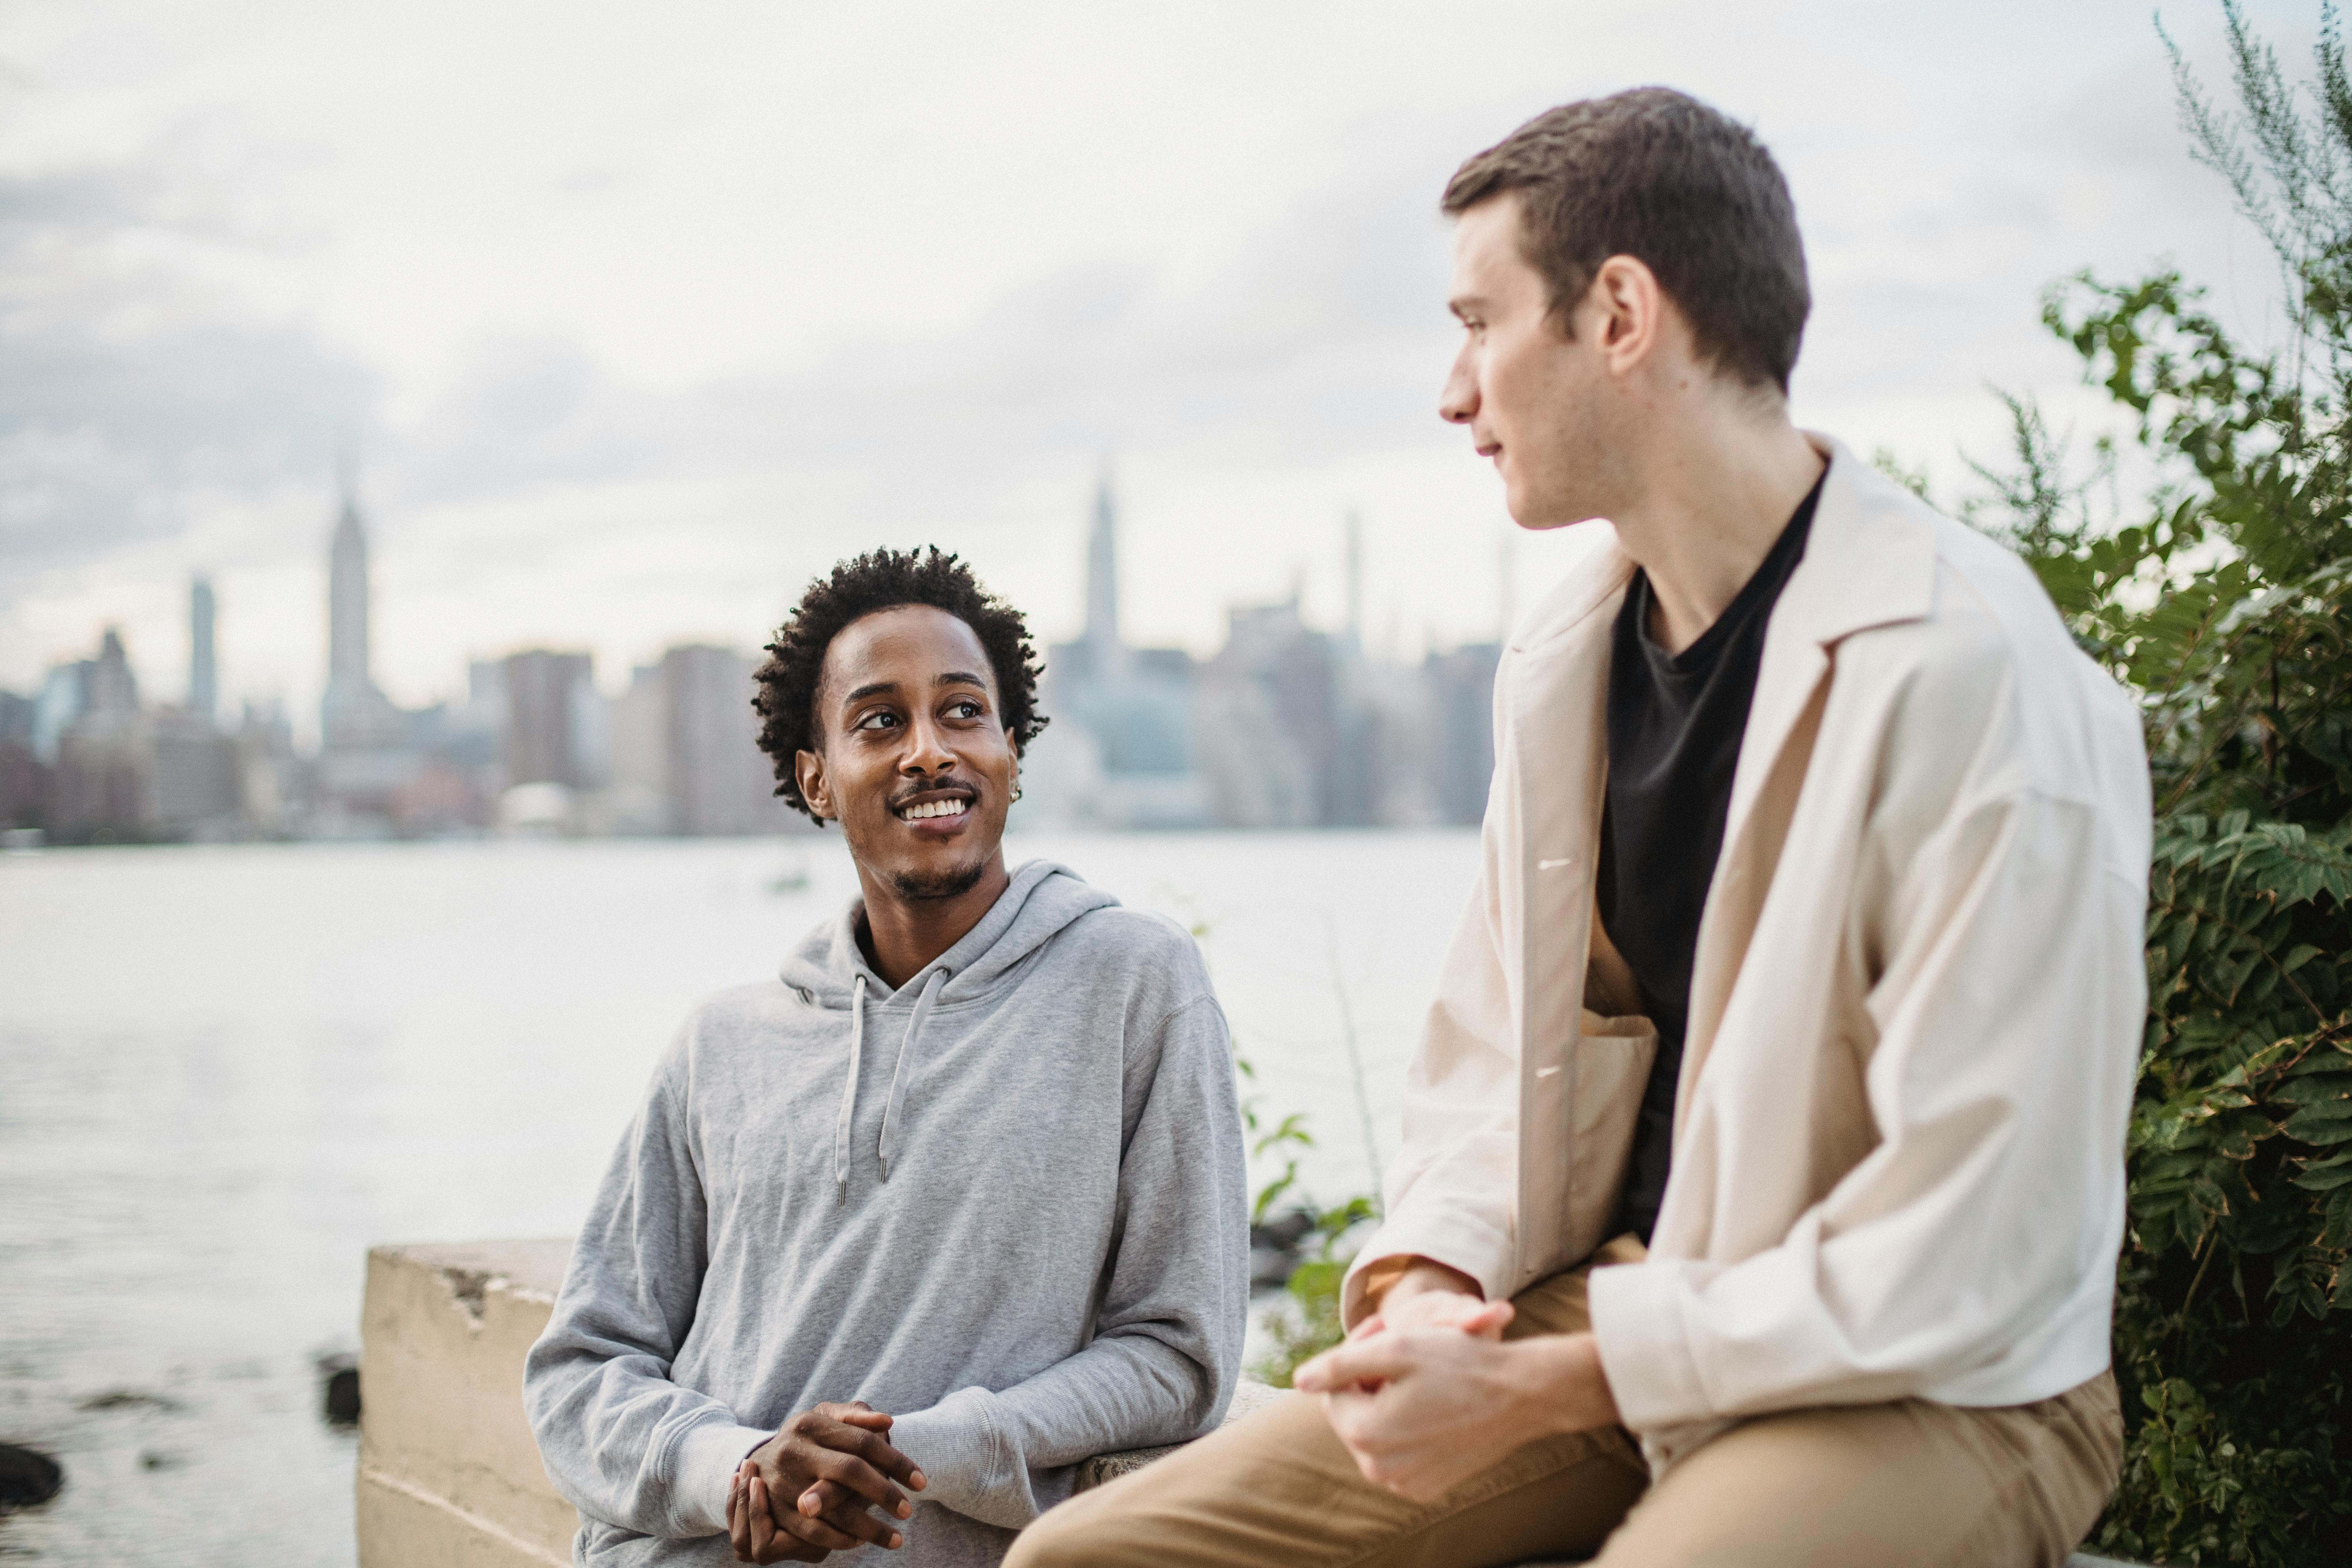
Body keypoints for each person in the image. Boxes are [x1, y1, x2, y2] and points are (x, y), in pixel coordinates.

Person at [1008, 87, 2149, 1568]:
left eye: (1479, 323)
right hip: (1620, 1318)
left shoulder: (1967, 670)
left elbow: (1983, 1248)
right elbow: (1491, 1064)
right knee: (1080, 1561)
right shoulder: (1565, 660)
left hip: (1940, 1384)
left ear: (1619, 314)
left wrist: (1536, 1383)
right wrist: (1429, 1298)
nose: (1452, 390)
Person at [524, 547, 1248, 1567]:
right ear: (814, 778)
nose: (929, 751)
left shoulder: (1135, 982)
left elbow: (1181, 1355)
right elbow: (582, 1367)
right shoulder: (721, 1044)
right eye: (880, 721)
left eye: (962, 712)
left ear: (1011, 751)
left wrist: (920, 1452)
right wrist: (737, 1466)